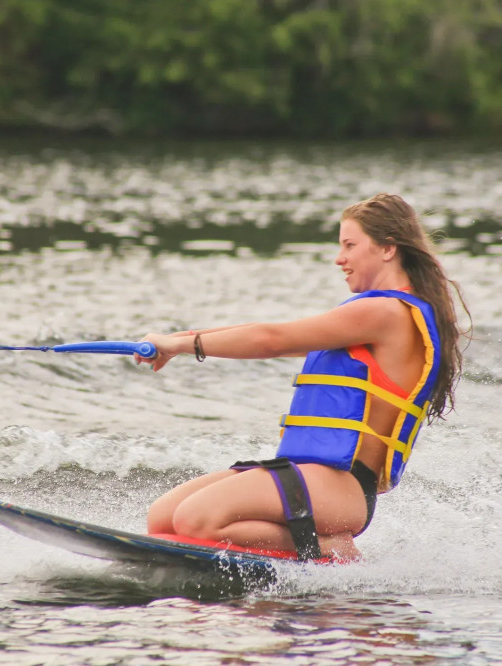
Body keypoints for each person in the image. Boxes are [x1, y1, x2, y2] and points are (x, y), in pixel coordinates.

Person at [136, 193, 469, 561]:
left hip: (343, 485)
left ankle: (332, 548)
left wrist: (182, 346)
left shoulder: (386, 313)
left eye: (350, 245)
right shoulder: (373, 315)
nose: (339, 258)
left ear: (388, 249)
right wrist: (175, 341)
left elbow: (270, 339)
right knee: (163, 519)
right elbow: (267, 331)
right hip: (310, 474)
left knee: (195, 520)